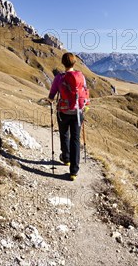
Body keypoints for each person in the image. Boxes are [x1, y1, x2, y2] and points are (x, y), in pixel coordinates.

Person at [47, 53, 89, 181]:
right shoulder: (81, 76)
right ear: (74, 63)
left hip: (63, 111)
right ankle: (73, 172)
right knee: (75, 140)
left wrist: (49, 100)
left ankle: (66, 159)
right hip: (78, 112)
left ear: (63, 63)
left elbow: (52, 95)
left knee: (64, 134)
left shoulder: (59, 78)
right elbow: (86, 91)